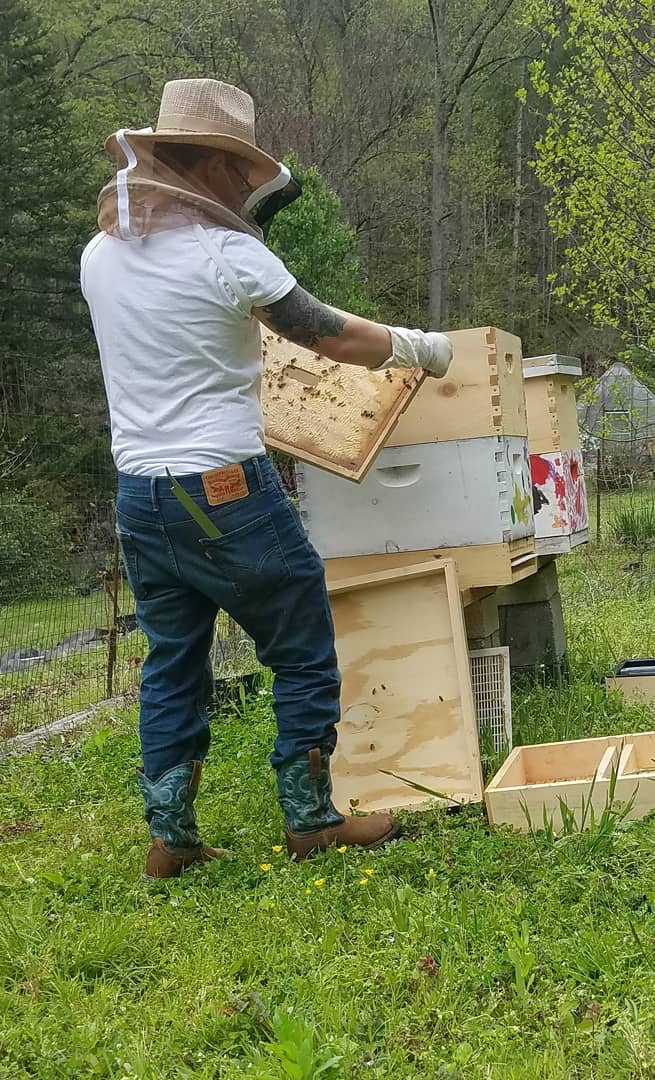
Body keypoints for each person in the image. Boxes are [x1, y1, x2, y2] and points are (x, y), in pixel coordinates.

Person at [81, 78, 454, 878]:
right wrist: (415, 345)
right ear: (214, 166)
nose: (250, 187)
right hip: (224, 487)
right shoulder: (228, 253)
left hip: (140, 496)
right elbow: (327, 335)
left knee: (172, 659)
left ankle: (170, 834)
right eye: (242, 173)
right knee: (303, 642)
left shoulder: (99, 255)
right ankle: (311, 819)